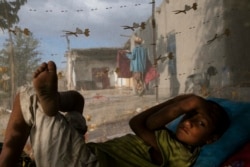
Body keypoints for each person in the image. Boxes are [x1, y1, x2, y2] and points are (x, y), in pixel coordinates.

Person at [0, 61, 230, 167]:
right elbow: (140, 122)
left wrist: (187, 102)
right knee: (77, 101)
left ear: (211, 139)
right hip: (83, 153)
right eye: (189, 116)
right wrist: (185, 101)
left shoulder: (182, 156)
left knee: (28, 95)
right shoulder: (164, 139)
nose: (187, 123)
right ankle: (54, 101)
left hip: (82, 163)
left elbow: (139, 124)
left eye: (200, 122)